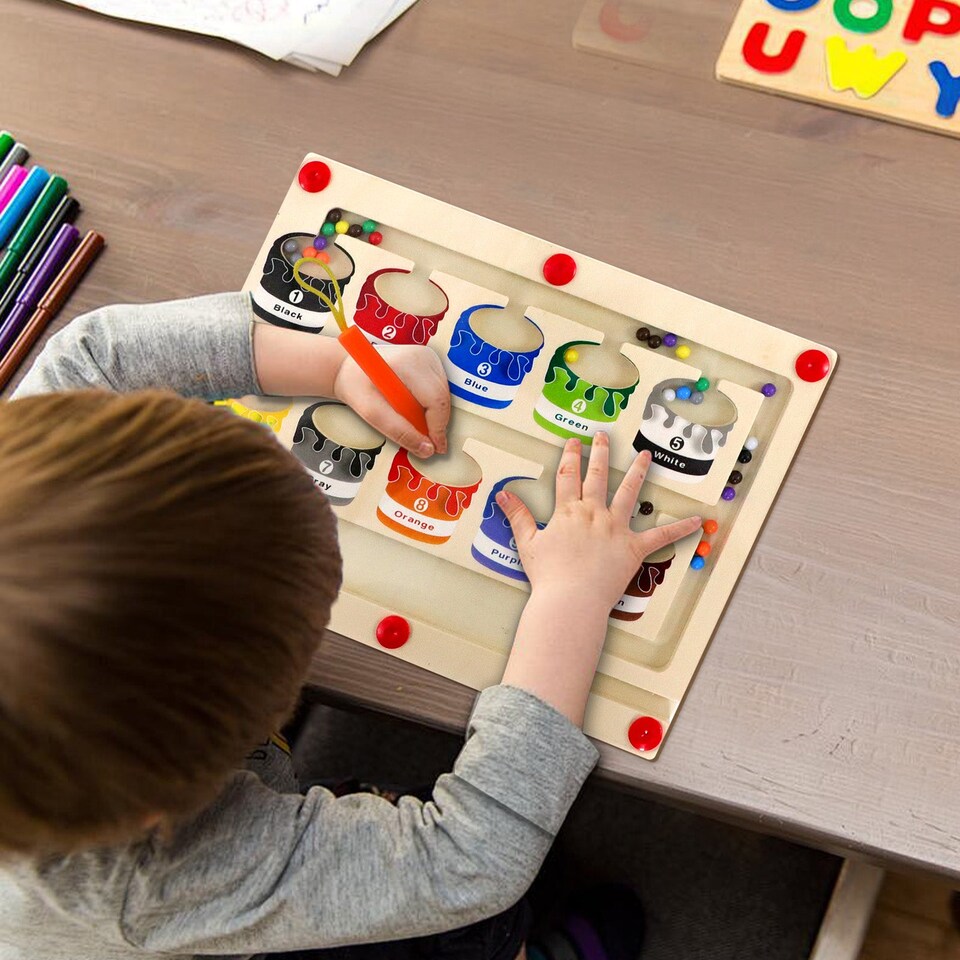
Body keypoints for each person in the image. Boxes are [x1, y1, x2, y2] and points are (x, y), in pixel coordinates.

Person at [0, 292, 700, 960]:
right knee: (465, 925)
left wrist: (335, 363)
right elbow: (471, 860)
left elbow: (94, 356)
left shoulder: (23, 486)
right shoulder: (153, 881)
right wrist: (573, 597)